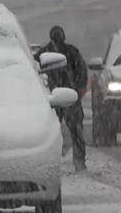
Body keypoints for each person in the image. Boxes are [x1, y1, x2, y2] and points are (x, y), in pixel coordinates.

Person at [35, 25, 89, 171]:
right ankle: (79, 162)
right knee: (75, 131)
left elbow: (35, 73)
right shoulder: (72, 52)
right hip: (68, 96)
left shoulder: (43, 54)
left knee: (51, 133)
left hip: (52, 98)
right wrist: (79, 89)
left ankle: (50, 163)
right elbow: (82, 71)